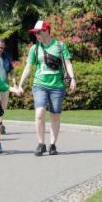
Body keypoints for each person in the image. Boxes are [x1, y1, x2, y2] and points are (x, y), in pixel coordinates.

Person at [18, 20, 76, 156]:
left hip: (57, 86)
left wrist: (72, 78)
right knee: (39, 114)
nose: (36, 35)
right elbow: (28, 67)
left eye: (39, 32)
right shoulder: (35, 48)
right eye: (35, 33)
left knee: (55, 116)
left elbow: (68, 63)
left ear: (47, 31)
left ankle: (53, 145)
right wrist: (21, 84)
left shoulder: (60, 46)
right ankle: (41, 144)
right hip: (40, 85)